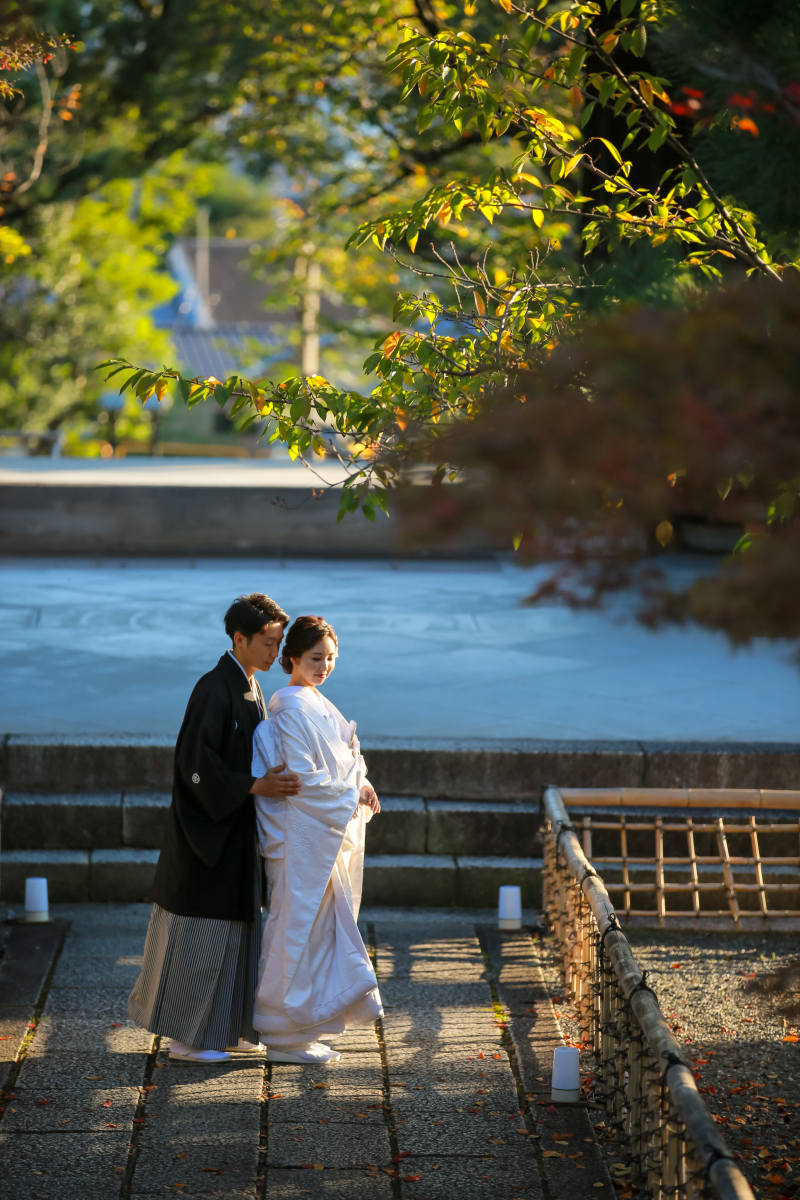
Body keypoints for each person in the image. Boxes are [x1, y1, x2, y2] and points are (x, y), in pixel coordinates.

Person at [128, 593, 300, 1064]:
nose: (275, 652)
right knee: (200, 938)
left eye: (278, 642)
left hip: (234, 832)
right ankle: (186, 1038)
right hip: (206, 837)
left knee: (235, 936)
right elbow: (195, 765)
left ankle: (222, 1029)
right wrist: (254, 785)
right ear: (239, 638)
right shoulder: (214, 688)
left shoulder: (249, 685)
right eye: (267, 642)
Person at [251, 615, 383, 1064]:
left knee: (320, 932)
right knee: (294, 930)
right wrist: (350, 792)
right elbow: (301, 778)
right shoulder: (290, 708)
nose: (324, 666)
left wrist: (361, 782)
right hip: (300, 836)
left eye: (331, 658)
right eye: (315, 658)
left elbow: (346, 759)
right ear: (291, 657)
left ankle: (302, 1029)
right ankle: (281, 1032)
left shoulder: (317, 703)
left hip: (317, 834)